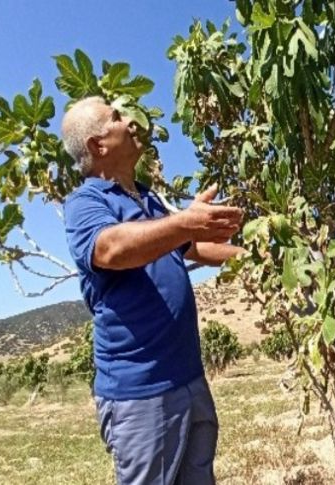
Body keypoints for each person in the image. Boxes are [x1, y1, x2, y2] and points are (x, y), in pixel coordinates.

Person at [61, 96, 244, 484]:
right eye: (115, 117)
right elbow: (111, 248)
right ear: (98, 145)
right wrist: (184, 222)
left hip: (189, 377)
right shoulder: (85, 202)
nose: (130, 120)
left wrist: (256, 256)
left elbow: (193, 247)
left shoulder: (146, 198)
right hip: (140, 392)